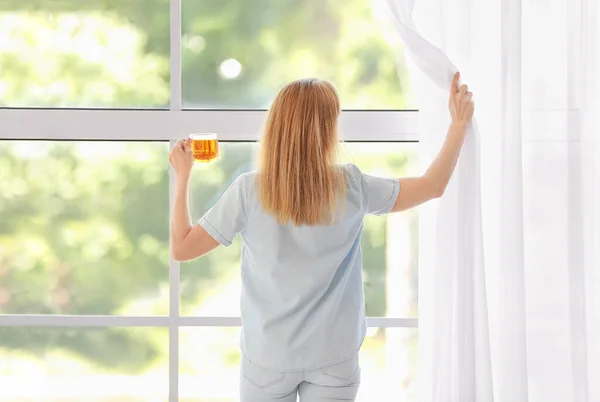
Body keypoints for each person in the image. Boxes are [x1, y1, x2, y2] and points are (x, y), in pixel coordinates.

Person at [169, 72, 474, 402]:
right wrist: (458, 126)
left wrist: (183, 176)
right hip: (334, 357)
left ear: (276, 128)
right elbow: (432, 186)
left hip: (269, 356)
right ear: (329, 131)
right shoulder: (353, 186)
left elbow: (183, 247)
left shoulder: (248, 191)